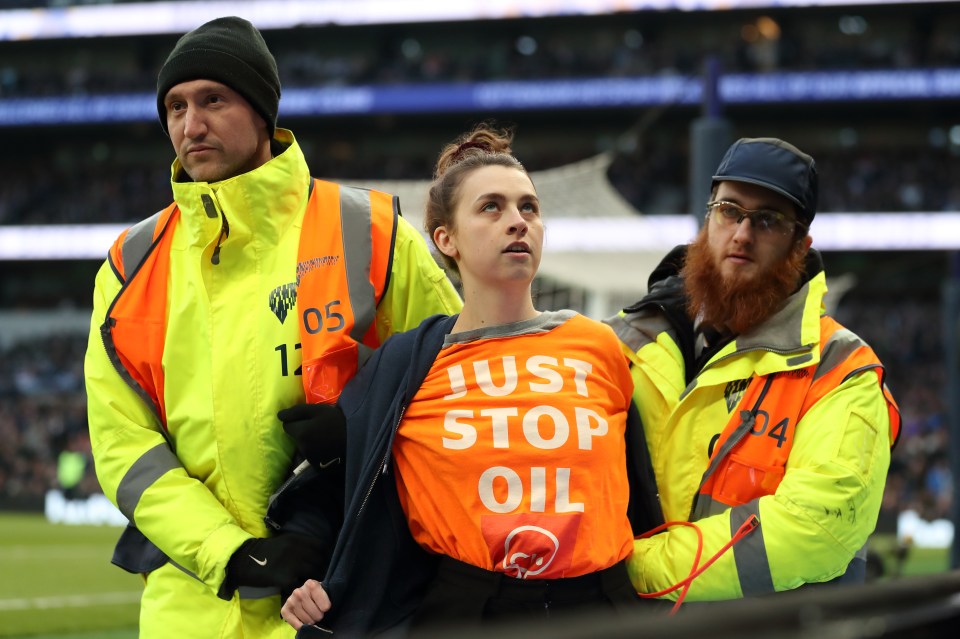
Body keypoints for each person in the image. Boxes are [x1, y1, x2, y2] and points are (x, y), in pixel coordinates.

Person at [83, 16, 461, 639]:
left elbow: (457, 386)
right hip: (190, 604)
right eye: (175, 106)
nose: (190, 124)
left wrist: (360, 438)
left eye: (213, 100)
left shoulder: (370, 233)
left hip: (341, 590)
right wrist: (230, 554)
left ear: (262, 111)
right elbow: (124, 446)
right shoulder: (131, 264)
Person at [277, 124, 662, 637]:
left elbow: (636, 487)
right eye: (491, 208)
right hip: (467, 610)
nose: (517, 222)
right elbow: (339, 484)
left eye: (529, 208)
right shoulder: (406, 366)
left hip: (601, 604)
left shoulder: (597, 344)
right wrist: (306, 570)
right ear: (445, 239)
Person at [605, 137, 901, 601]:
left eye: (766, 220)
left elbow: (813, 530)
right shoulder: (620, 341)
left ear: (799, 246)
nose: (742, 233)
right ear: (708, 219)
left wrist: (631, 571)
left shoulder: (841, 370)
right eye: (729, 210)